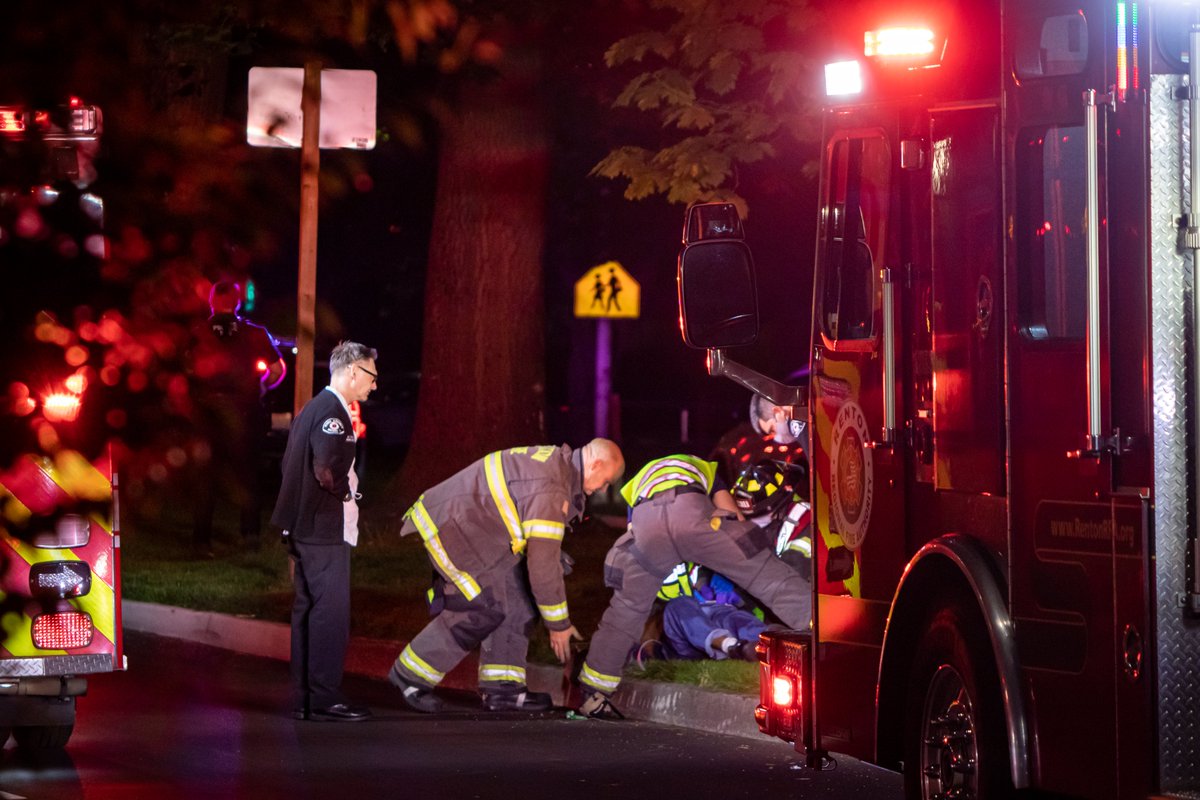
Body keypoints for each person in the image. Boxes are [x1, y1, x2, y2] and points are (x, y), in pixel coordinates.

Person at [389, 439, 624, 713]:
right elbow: (542, 566)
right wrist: (559, 625)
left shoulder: (557, 469)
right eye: (605, 481)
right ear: (595, 464)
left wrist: (547, 552)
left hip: (478, 533)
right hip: (454, 529)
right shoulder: (553, 484)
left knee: (519, 603)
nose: (603, 489)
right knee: (481, 608)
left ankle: (504, 689)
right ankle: (408, 677)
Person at [575, 453, 810, 719]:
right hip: (691, 513)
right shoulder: (704, 469)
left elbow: (633, 529)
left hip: (647, 524)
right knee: (765, 575)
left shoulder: (637, 484)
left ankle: (592, 693)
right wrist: (743, 547)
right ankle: (819, 628)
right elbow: (733, 517)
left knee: (625, 611)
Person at [271, 340, 377, 722]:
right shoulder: (332, 413)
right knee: (330, 613)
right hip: (323, 529)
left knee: (307, 611)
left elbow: (290, 464)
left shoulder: (312, 408)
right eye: (371, 376)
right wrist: (347, 493)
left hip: (303, 526)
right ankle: (325, 696)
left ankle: (304, 696)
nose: (374, 385)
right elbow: (326, 468)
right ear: (352, 372)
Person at [189, 279, 285, 554]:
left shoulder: (198, 332)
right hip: (244, 411)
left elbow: (184, 370)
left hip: (208, 415)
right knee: (247, 475)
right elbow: (278, 369)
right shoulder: (255, 333)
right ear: (237, 302)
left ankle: (201, 540)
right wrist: (263, 386)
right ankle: (250, 535)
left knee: (206, 477)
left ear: (211, 302)